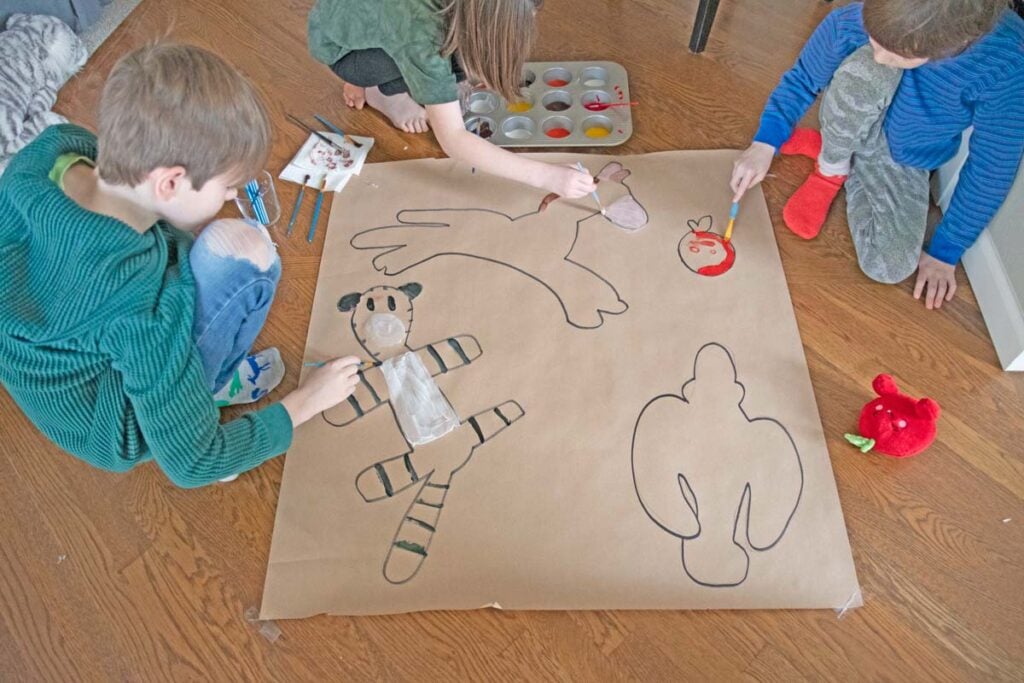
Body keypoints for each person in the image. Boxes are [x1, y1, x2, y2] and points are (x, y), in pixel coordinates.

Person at [0, 43, 362, 487]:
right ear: (170, 182)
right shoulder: (136, 304)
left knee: (211, 247)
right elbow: (193, 465)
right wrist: (308, 402)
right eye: (228, 187)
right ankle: (203, 398)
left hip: (57, 362)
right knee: (249, 254)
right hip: (115, 424)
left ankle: (188, 389)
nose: (232, 197)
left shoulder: (54, 150)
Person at [730, 0, 1024, 310]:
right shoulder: (871, 14)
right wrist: (765, 142)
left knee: (889, 266)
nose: (880, 55)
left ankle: (839, 155)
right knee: (869, 71)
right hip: (853, 107)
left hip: (903, 156)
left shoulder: (1008, 63)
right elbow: (804, 77)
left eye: (897, 54)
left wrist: (946, 250)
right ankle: (832, 166)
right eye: (873, 37)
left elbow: (991, 167)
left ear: (951, 46)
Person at [308, 0, 597, 198]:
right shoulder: (422, 34)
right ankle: (381, 92)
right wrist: (549, 177)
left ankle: (378, 82)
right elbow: (454, 140)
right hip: (345, 50)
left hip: (366, 21)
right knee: (450, 61)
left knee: (456, 64)